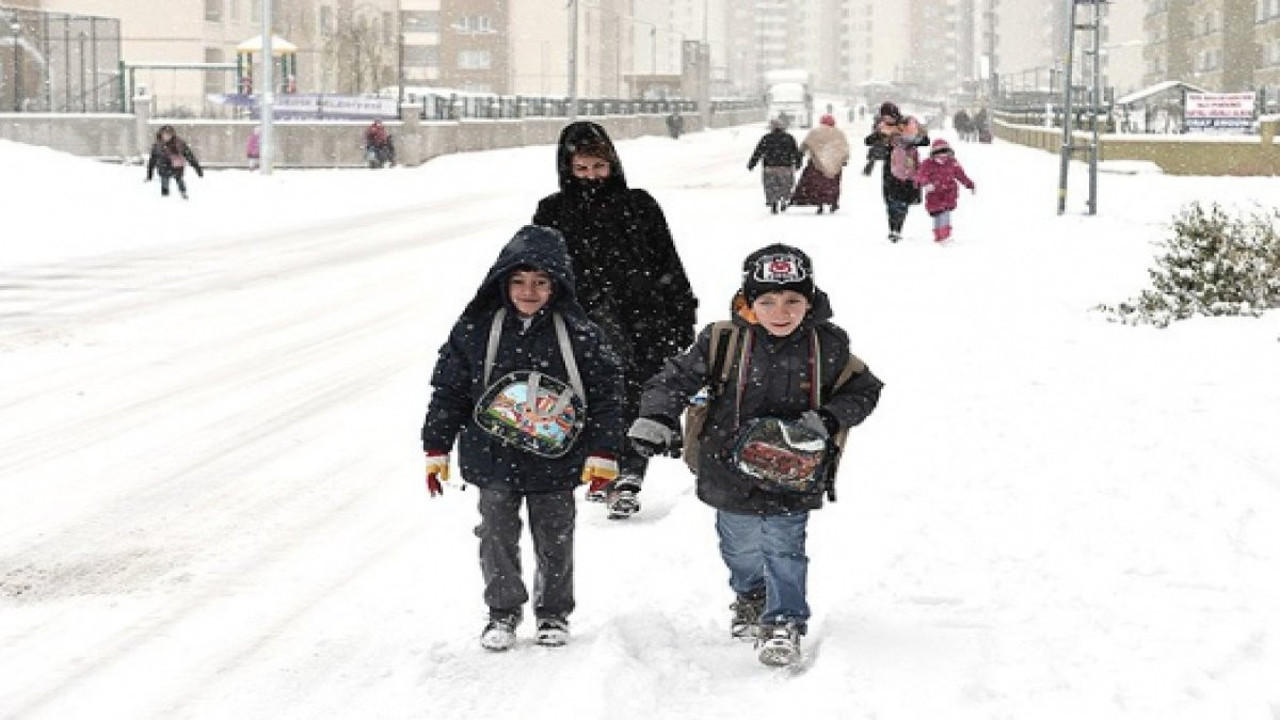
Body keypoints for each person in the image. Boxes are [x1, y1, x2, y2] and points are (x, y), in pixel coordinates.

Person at [626, 244, 884, 667]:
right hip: (728, 469)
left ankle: (784, 619)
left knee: (785, 547)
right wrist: (656, 417)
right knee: (740, 546)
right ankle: (751, 595)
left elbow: (865, 389)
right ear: (749, 301)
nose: (780, 313)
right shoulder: (722, 340)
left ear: (810, 300)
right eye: (767, 302)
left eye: (792, 301)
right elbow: (673, 380)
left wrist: (829, 417)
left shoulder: (828, 345)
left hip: (794, 470)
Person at [420, 224, 626, 652]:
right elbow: (450, 389)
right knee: (496, 531)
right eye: (518, 281)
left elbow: (607, 393)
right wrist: (436, 445)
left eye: (540, 282)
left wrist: (604, 450)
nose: (528, 291)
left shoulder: (580, 333)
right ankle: (502, 610)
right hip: (492, 452)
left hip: (557, 455)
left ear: (557, 285)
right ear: (502, 282)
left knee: (554, 535)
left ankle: (553, 612)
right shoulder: (476, 329)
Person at [532, 121, 698, 519]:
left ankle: (629, 475)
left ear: (613, 164)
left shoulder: (639, 205)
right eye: (582, 170)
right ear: (568, 169)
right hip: (579, 321)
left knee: (635, 397)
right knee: (588, 398)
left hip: (641, 321)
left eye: (598, 168)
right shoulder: (552, 210)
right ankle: (600, 468)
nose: (591, 177)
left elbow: (667, 261)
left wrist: (680, 313)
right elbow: (537, 267)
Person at [864, 101, 930, 242]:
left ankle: (897, 228)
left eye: (889, 116)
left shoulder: (907, 124)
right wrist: (880, 135)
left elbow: (925, 140)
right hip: (890, 168)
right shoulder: (882, 128)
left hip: (908, 166)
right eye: (884, 116)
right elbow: (868, 141)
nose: (886, 119)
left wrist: (906, 139)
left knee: (903, 200)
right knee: (890, 200)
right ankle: (893, 228)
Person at [914, 138, 976, 244]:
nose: (943, 155)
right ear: (934, 153)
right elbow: (920, 176)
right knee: (937, 213)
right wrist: (925, 183)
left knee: (945, 213)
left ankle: (945, 235)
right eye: (939, 153)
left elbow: (960, 175)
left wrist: (969, 184)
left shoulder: (952, 163)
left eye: (945, 152)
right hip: (934, 194)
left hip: (949, 193)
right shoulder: (928, 163)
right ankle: (938, 235)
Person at [788, 114, 850, 214]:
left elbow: (805, 144)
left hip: (817, 163)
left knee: (817, 184)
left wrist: (800, 154)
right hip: (834, 163)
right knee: (832, 184)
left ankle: (819, 202)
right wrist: (844, 160)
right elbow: (844, 148)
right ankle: (832, 202)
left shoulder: (815, 132)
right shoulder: (839, 133)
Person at [746, 118, 803, 214]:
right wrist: (798, 163)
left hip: (770, 167)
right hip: (786, 167)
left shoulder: (766, 138)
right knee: (786, 185)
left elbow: (758, 152)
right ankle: (784, 199)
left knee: (771, 186)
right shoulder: (789, 138)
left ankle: (773, 202)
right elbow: (795, 152)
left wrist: (752, 164)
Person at [145, 125, 203, 199]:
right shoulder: (157, 145)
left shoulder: (179, 143)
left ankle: (183, 193)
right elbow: (152, 160)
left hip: (177, 167)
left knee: (179, 180)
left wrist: (197, 169)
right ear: (161, 134)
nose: (167, 136)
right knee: (164, 181)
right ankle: (165, 197)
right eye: (165, 134)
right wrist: (149, 174)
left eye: (168, 134)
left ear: (172, 134)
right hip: (163, 167)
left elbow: (189, 156)